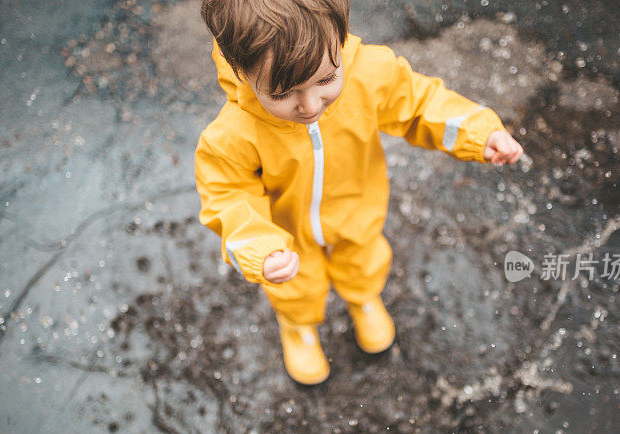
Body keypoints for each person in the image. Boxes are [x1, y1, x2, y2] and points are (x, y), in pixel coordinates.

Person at [195, 0, 523, 385]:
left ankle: (363, 298)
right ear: (241, 71)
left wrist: (477, 132)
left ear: (339, 39)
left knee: (364, 260)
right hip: (288, 236)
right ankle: (298, 324)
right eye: (284, 94)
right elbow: (228, 197)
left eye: (325, 80)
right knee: (294, 284)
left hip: (358, 211)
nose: (311, 105)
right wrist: (259, 250)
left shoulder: (368, 72)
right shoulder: (233, 133)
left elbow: (419, 104)